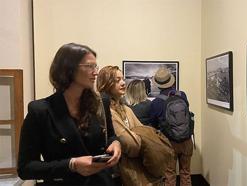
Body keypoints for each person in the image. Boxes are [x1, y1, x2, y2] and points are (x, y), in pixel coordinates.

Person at [17, 43, 122, 185]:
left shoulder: (101, 102)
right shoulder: (41, 111)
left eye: (95, 66)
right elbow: (25, 168)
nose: (96, 72)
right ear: (68, 69)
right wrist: (71, 165)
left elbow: (110, 135)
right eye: (89, 66)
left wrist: (115, 143)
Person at [97, 65, 163, 186]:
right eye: (117, 80)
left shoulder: (125, 108)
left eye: (123, 79)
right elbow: (132, 145)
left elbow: (143, 133)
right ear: (106, 84)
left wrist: (139, 138)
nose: (123, 83)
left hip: (131, 168)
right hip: (116, 172)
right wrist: (140, 139)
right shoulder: (106, 111)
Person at [149, 67, 193, 186]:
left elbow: (153, 124)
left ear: (158, 85)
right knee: (186, 173)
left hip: (169, 143)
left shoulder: (156, 103)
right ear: (172, 81)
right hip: (186, 140)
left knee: (169, 174)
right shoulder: (182, 95)